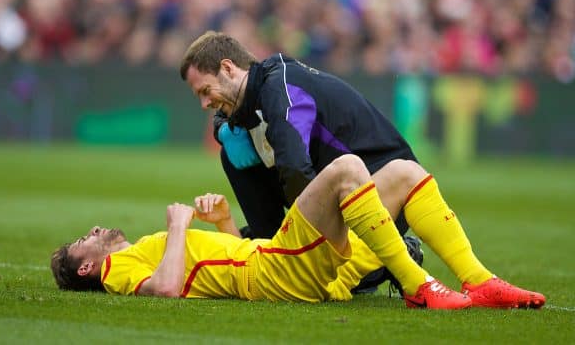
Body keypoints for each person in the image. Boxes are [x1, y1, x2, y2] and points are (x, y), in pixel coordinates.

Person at [178, 31, 546, 308]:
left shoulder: (281, 85)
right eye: (200, 97)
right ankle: (412, 280)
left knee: (396, 172)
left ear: (228, 68)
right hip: (334, 238)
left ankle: (475, 280)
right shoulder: (240, 136)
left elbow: (293, 166)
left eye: (205, 91)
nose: (204, 104)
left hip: (356, 221)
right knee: (377, 171)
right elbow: (266, 225)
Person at [51, 154, 545, 309]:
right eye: (83, 240)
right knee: (347, 168)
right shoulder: (119, 270)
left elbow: (219, 265)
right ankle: (419, 285)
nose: (92, 231)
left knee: (402, 173)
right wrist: (178, 226)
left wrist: (222, 221)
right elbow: (166, 289)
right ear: (90, 265)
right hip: (276, 272)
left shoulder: (140, 252)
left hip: (274, 262)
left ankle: (477, 279)